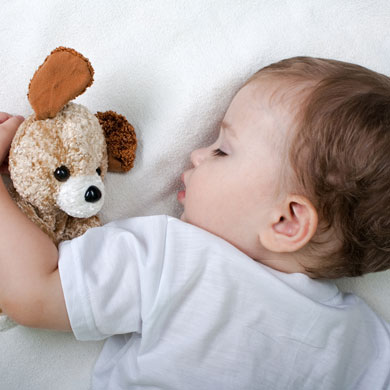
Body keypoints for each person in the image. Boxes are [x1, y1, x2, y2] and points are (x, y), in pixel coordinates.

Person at [1, 56, 390, 390]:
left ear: (287, 221)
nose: (197, 154)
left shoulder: (172, 259)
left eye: (222, 150)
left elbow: (34, 291)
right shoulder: (366, 343)